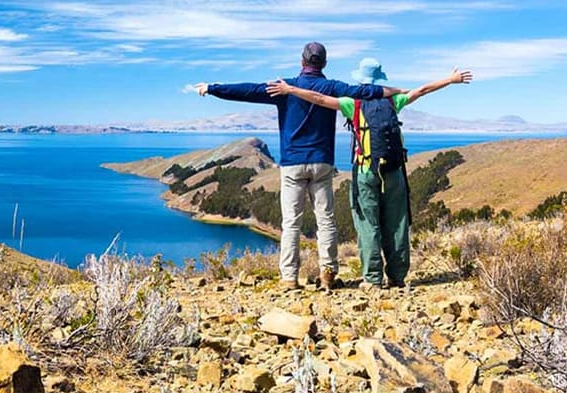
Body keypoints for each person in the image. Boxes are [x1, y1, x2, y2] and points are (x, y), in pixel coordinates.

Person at [194, 42, 402, 290]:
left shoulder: (285, 88)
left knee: (291, 222)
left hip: (292, 163)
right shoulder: (333, 87)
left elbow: (247, 91)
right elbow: (367, 92)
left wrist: (212, 88)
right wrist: (397, 91)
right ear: (323, 63)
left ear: (302, 61)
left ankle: (289, 278)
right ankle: (328, 274)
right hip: (322, 162)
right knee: (326, 221)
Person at [267, 58, 471, 290]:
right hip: (393, 170)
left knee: (368, 224)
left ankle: (372, 279)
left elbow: (320, 99)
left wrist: (290, 89)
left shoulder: (352, 104)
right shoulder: (394, 101)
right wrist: (451, 79)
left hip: (365, 170)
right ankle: (397, 276)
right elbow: (423, 90)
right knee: (397, 223)